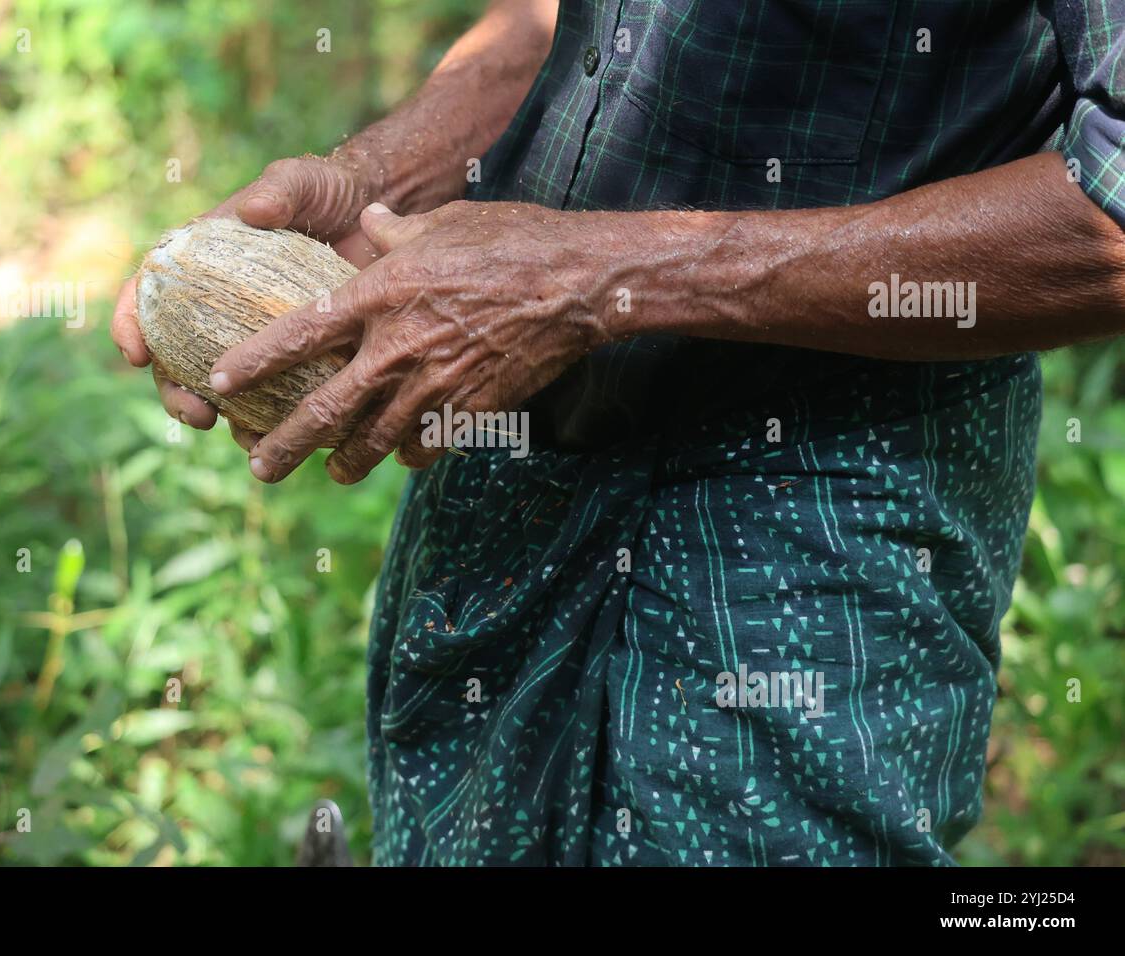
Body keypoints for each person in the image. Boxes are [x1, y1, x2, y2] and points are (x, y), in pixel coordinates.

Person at [112, 0, 1125, 865]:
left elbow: (1110, 213)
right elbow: (562, 20)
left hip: (821, 504)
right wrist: (381, 174)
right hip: (524, 439)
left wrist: (598, 277)